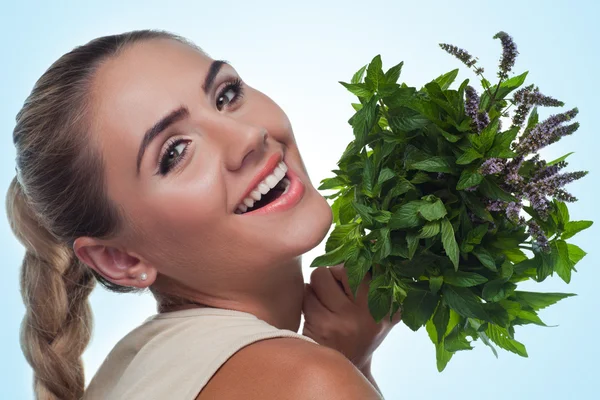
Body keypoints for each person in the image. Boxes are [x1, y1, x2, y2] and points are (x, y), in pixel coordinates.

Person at [6, 28, 401, 400]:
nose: (248, 136)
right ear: (119, 258)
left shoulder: (143, 370)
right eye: (174, 152)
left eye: (225, 96)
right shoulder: (306, 383)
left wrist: (348, 359)